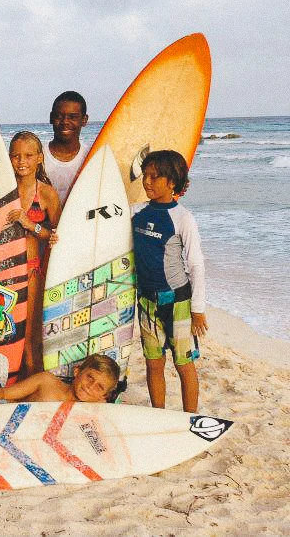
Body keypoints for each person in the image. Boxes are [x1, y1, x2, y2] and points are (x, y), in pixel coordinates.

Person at [132, 150, 207, 413]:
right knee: (153, 363)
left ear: (172, 182)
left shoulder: (183, 218)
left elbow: (196, 264)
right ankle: (158, 413)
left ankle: (190, 417)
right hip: (146, 301)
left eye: (154, 177)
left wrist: (198, 309)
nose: (147, 181)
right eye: (145, 175)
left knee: (183, 363)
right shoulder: (136, 212)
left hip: (178, 301)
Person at [6, 131, 61, 376]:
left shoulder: (46, 193)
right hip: (4, 271)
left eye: (28, 156)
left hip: (31, 271)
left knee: (30, 337)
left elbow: (57, 235)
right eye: (15, 156)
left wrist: (31, 225)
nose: (21, 161)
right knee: (8, 334)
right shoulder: (2, 190)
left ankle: (30, 385)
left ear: (39, 158)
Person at [0, 353, 120, 413]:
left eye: (99, 387)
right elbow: (2, 393)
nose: (91, 386)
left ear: (103, 396)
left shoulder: (95, 410)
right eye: (90, 377)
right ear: (77, 371)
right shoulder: (46, 381)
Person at [43, 91, 90, 206]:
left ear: (84, 120)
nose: (65, 122)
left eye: (72, 117)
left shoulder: (91, 157)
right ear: (51, 118)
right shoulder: (38, 157)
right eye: (59, 116)